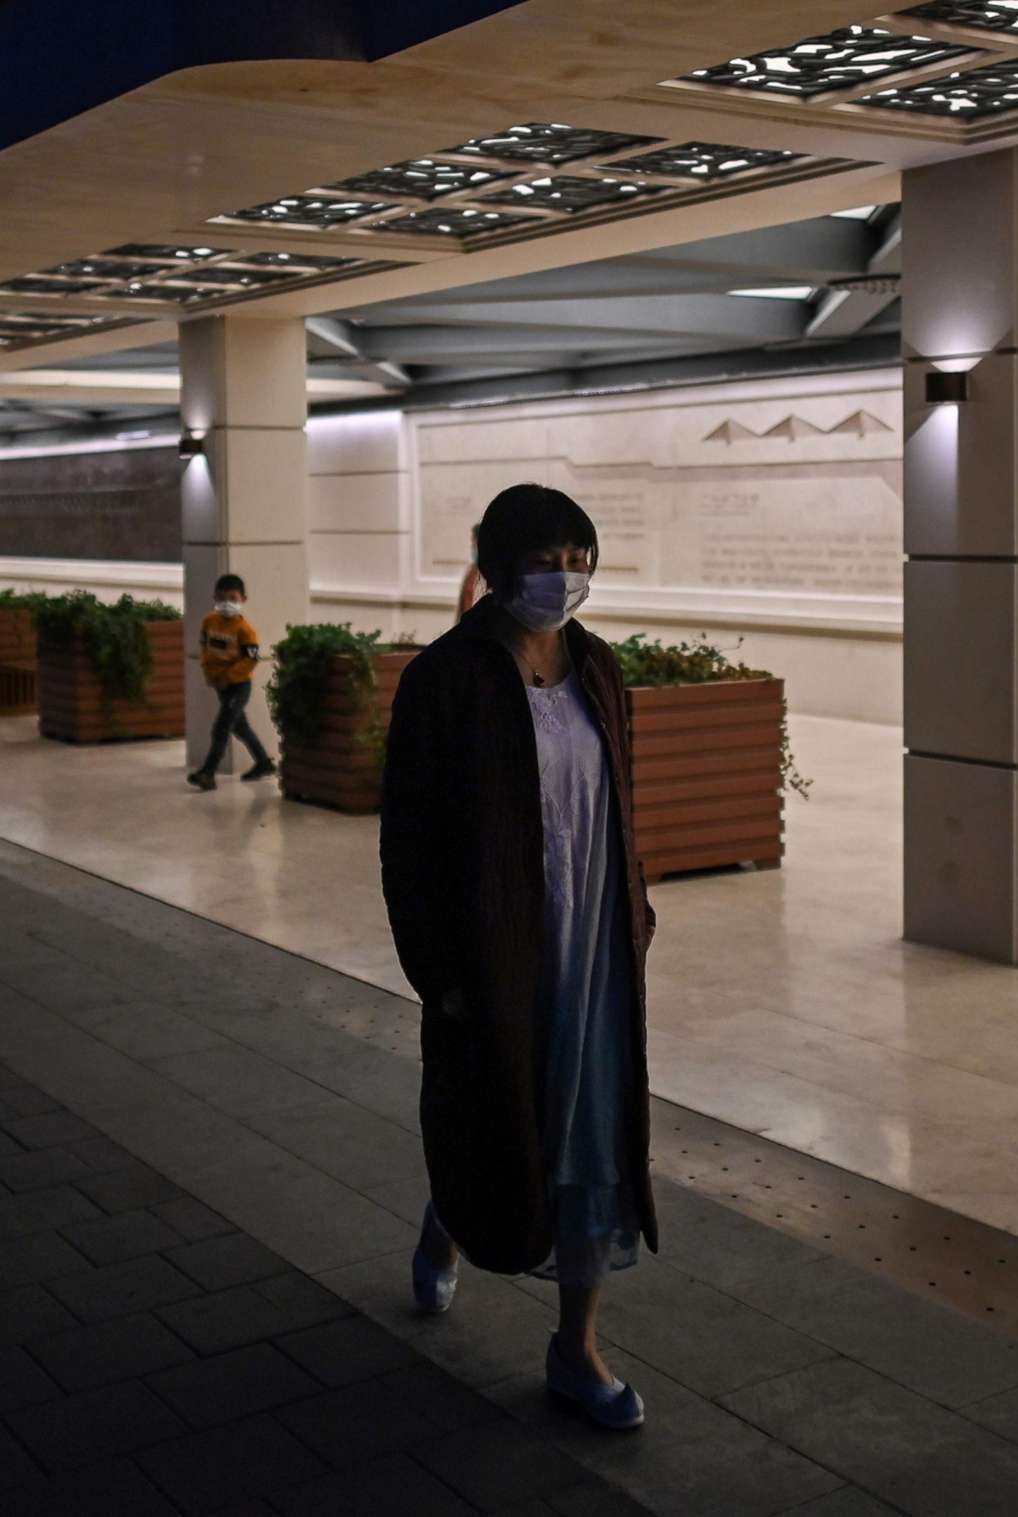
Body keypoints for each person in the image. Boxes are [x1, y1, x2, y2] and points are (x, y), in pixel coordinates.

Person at [379, 482, 657, 1431]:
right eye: (546, 560)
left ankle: (574, 1348)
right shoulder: (446, 680)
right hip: (494, 948)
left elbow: (620, 803)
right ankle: (451, 1208)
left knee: (588, 1132)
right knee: (500, 1110)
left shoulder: (600, 670)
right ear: (498, 568)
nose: (565, 578)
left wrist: (638, 911)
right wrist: (439, 971)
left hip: (594, 945)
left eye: (580, 559)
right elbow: (408, 840)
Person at [185, 572, 276, 792]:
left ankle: (208, 773)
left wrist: (230, 677)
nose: (227, 604)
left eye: (233, 599)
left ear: (243, 599)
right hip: (220, 685)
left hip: (238, 685)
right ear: (215, 598)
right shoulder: (209, 622)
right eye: (222, 598)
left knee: (221, 727)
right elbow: (205, 649)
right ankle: (263, 763)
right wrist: (211, 674)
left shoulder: (246, 631)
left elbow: (251, 660)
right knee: (240, 727)